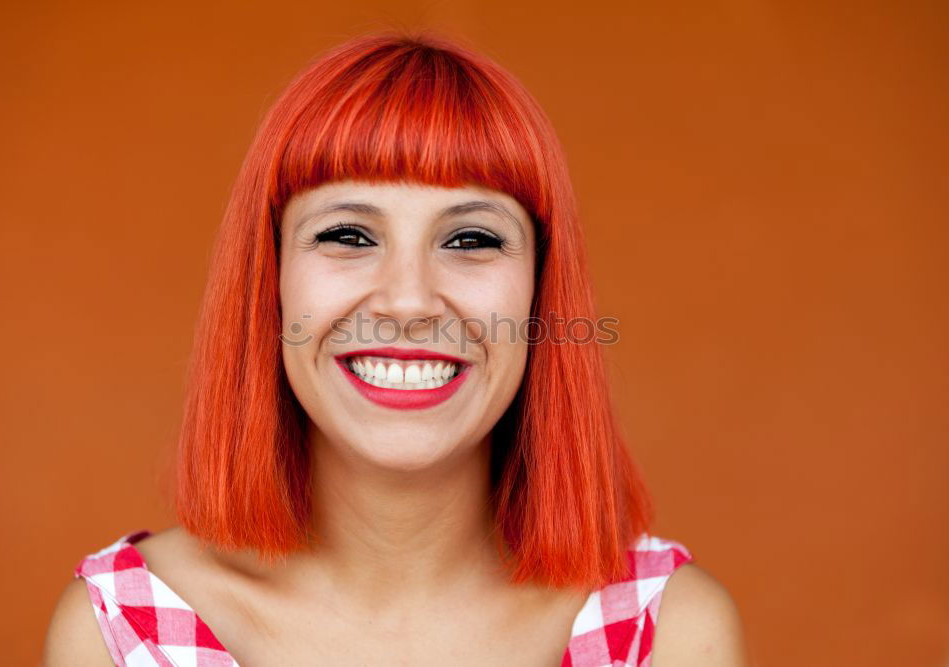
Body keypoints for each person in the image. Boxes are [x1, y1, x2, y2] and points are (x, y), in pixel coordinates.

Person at [42, 31, 749, 666]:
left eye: (471, 239)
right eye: (347, 235)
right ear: (271, 281)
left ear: (541, 293)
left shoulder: (670, 633)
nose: (408, 302)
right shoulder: (123, 630)